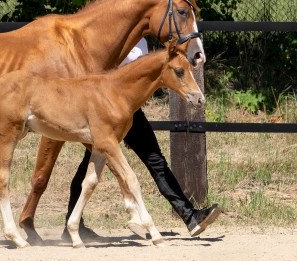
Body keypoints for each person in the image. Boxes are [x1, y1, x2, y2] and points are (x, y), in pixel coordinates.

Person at [63, 38, 220, 239]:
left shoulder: (143, 42)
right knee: (90, 164)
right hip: (106, 109)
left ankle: (190, 216)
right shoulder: (115, 35)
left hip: (132, 112)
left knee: (156, 161)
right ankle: (72, 222)